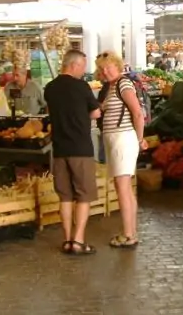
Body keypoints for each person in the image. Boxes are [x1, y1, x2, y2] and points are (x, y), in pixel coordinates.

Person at [44, 50, 102, 255]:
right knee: (84, 195)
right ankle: (78, 241)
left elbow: (52, 114)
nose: (84, 70)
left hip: (59, 149)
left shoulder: (50, 88)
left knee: (65, 196)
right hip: (81, 149)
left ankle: (67, 239)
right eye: (83, 66)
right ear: (74, 65)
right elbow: (96, 112)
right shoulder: (81, 87)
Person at [97, 51, 147, 248]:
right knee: (123, 187)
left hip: (123, 139)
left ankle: (128, 235)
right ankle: (131, 231)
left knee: (123, 187)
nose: (105, 71)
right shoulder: (111, 87)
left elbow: (137, 112)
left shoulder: (123, 83)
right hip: (117, 139)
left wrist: (140, 138)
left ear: (117, 66)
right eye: (102, 68)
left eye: (108, 67)